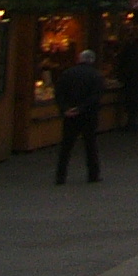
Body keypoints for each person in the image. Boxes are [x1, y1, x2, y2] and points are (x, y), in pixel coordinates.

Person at [54, 50, 106, 185]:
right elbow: (96, 96)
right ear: (92, 60)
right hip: (88, 115)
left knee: (66, 146)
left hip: (70, 115)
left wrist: (65, 109)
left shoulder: (67, 73)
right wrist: (81, 108)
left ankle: (60, 176)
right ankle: (93, 174)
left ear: (79, 59)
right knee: (90, 145)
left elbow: (59, 93)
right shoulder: (96, 75)